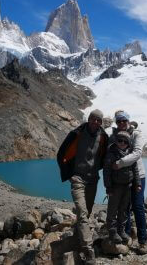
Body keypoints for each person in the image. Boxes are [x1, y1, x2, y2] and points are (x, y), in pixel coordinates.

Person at [57, 109, 108, 265]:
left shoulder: (103, 137)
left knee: (87, 211)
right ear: (89, 119)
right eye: (93, 119)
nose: (96, 122)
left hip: (93, 179)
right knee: (82, 211)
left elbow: (104, 157)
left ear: (101, 122)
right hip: (78, 178)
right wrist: (69, 173)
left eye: (99, 120)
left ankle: (79, 235)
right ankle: (88, 250)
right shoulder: (77, 133)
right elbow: (61, 154)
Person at [109, 110, 147, 255]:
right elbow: (108, 155)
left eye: (124, 120)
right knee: (123, 208)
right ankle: (125, 236)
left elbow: (137, 153)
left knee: (138, 206)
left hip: (138, 176)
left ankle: (142, 241)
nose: (121, 123)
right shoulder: (113, 137)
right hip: (120, 179)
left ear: (128, 121)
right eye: (118, 121)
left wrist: (119, 163)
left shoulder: (136, 134)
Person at [103, 131, 141, 244]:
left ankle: (121, 230)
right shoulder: (111, 153)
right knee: (112, 210)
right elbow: (106, 171)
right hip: (115, 187)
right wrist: (108, 187)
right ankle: (112, 231)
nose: (122, 143)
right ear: (116, 141)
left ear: (128, 143)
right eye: (120, 140)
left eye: (125, 141)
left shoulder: (130, 154)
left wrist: (138, 183)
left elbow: (135, 170)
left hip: (128, 186)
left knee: (124, 210)